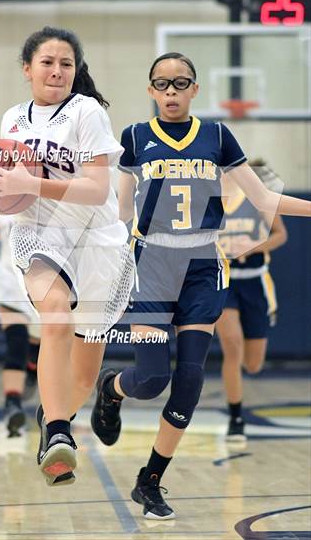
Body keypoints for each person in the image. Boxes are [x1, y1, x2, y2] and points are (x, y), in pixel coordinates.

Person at [90, 52, 311, 519]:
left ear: (195, 89)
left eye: (180, 83)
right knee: (151, 379)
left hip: (203, 264)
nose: (171, 92)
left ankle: (150, 481)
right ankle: (111, 389)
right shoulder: (133, 138)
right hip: (150, 262)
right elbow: (120, 212)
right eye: (162, 84)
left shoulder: (216, 135)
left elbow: (265, 199)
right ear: (150, 91)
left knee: (189, 381)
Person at [0, 26, 133, 486]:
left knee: (81, 378)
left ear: (75, 70)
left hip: (99, 242)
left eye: (65, 63)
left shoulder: (87, 112)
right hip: (40, 233)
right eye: (47, 62)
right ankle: (60, 430)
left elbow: (97, 188)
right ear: (28, 69)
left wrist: (28, 184)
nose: (57, 70)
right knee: (54, 311)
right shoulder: (12, 119)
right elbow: (12, 189)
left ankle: (54, 417)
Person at [216, 160, 287, 442]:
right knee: (231, 346)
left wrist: (252, 246)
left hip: (255, 281)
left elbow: (281, 234)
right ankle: (236, 417)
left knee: (253, 364)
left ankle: (238, 393)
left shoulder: (260, 198)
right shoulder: (211, 199)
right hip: (225, 281)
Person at [0, 212, 41, 437]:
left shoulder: (56, 199)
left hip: (45, 283)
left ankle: (33, 366)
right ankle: (12, 403)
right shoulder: (9, 204)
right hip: (11, 283)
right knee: (16, 342)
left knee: (40, 345)